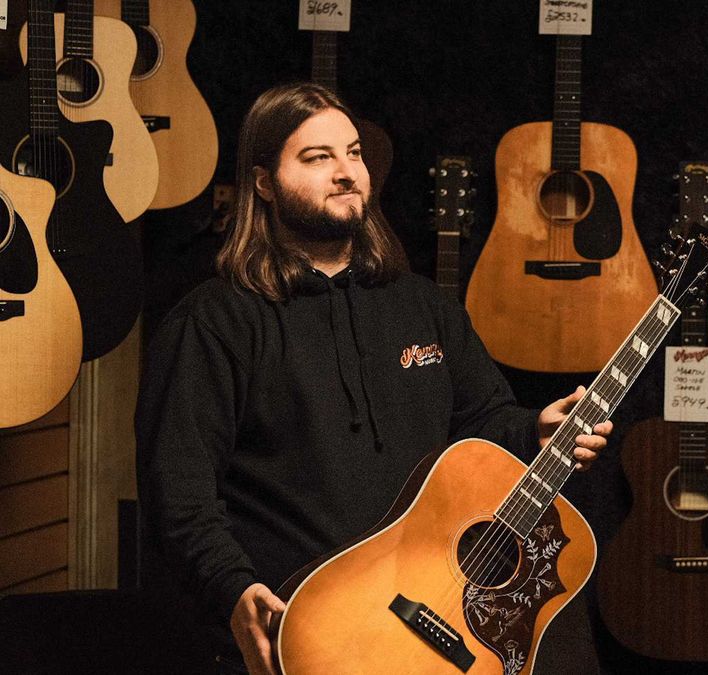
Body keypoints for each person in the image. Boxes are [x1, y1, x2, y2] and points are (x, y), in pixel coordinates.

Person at [136, 82, 611, 675]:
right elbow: (178, 493)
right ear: (263, 183)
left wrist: (534, 429)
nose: (346, 172)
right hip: (303, 633)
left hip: (419, 624)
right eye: (318, 157)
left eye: (354, 153)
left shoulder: (420, 306)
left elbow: (483, 421)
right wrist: (232, 588)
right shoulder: (214, 321)